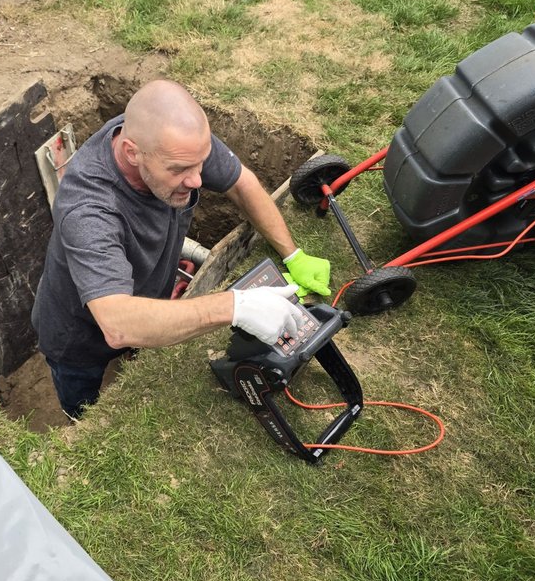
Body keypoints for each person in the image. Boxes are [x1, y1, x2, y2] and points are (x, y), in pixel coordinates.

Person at [32, 80, 331, 420]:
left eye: (200, 163)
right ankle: (79, 421)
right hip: (78, 335)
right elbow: (117, 324)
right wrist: (236, 306)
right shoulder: (88, 209)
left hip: (142, 300)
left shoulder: (174, 144)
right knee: (83, 402)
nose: (196, 181)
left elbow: (241, 181)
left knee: (138, 346)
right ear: (131, 152)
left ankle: (136, 354)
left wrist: (293, 254)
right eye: (179, 171)